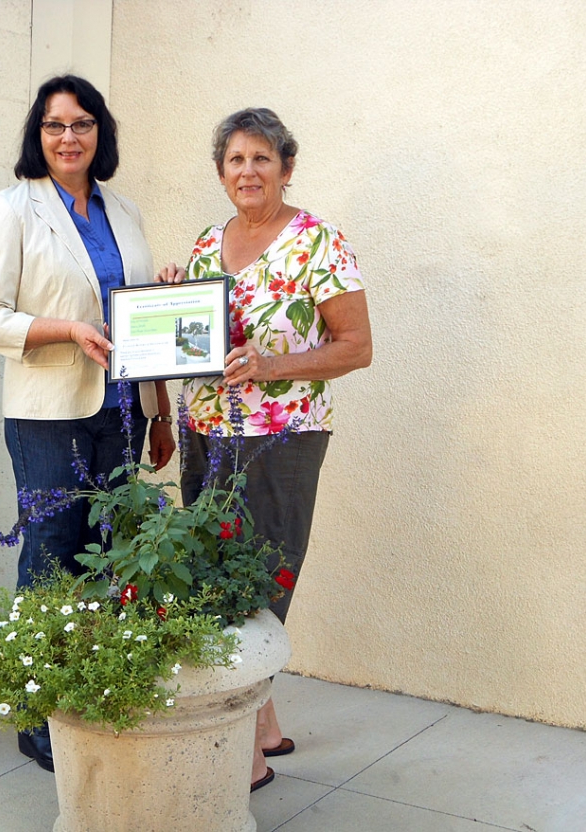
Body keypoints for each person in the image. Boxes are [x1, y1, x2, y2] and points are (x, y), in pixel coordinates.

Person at [158, 107, 372, 792]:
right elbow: (190, 338)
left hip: (282, 436)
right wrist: (169, 302)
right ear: (221, 173)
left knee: (262, 578)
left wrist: (270, 367)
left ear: (285, 166)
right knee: (218, 574)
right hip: (206, 431)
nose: (247, 172)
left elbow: (355, 348)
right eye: (235, 161)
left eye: (261, 159)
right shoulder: (204, 243)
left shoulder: (317, 241)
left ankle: (244, 752)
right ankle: (267, 724)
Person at [0, 75, 175, 772]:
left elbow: (139, 315)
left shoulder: (124, 209)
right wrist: (66, 329)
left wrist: (162, 405)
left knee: (112, 548)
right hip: (48, 414)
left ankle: (94, 688)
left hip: (122, 412)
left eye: (82, 124)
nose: (68, 137)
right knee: (54, 553)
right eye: (55, 125)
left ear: (100, 133)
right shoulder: (12, 209)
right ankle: (39, 716)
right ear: (39, 133)